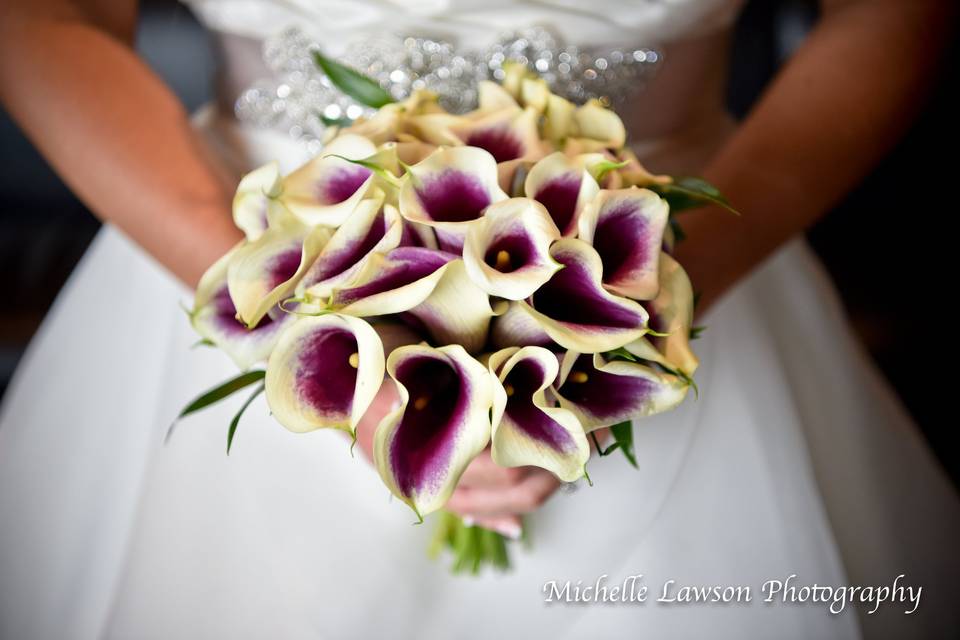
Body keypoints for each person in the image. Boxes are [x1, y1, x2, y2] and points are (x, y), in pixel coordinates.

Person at [0, 0, 957, 638]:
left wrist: (637, 300)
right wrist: (293, 311)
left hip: (672, 255)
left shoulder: (647, 286)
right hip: (250, 235)